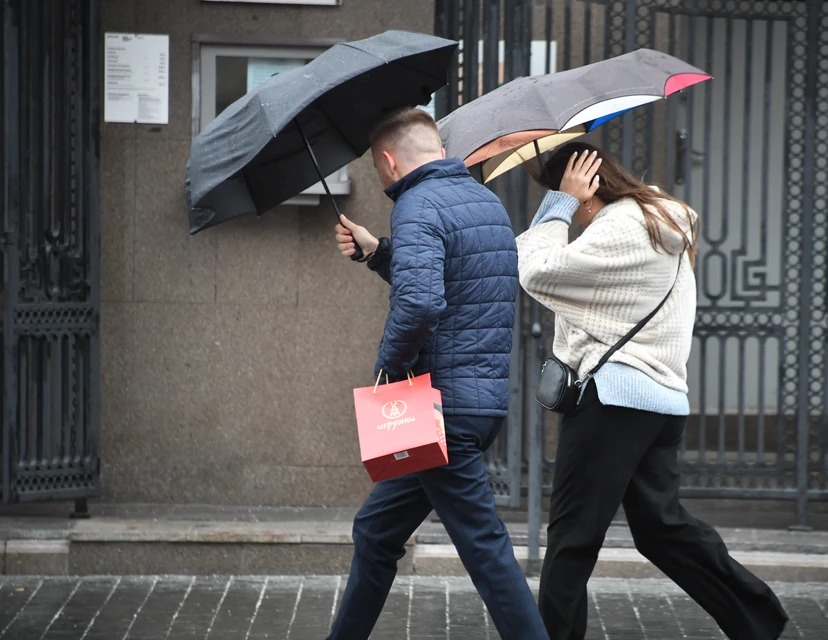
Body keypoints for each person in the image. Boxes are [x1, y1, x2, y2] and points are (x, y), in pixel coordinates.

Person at [516, 142, 789, 640]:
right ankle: (758, 619)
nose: (569, 217)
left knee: (572, 538)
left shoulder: (619, 227)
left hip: (614, 401)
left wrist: (556, 204)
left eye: (565, 198)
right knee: (662, 530)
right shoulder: (660, 221)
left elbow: (538, 271)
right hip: (660, 401)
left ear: (586, 189)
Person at [329, 107, 549, 640]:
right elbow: (455, 283)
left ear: (387, 161)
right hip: (479, 404)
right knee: (377, 531)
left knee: (483, 544)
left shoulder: (416, 204)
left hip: (439, 410)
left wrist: (387, 373)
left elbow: (423, 302)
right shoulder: (485, 203)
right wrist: (379, 251)